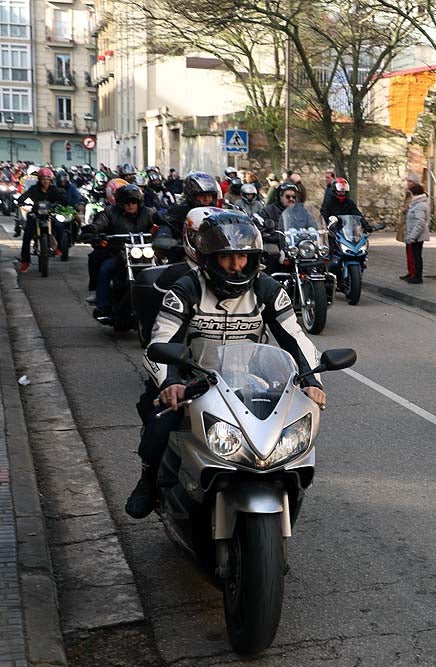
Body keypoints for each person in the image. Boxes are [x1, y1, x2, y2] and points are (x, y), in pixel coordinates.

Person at [124, 208, 326, 518]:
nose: (236, 265)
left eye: (243, 257)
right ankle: (148, 481)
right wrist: (170, 381)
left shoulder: (267, 289)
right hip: (193, 378)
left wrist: (312, 380)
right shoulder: (186, 289)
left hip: (249, 379)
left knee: (290, 431)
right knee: (159, 422)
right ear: (209, 257)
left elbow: (295, 337)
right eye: (227, 257)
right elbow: (161, 341)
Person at [89, 183, 161, 319]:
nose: (130, 205)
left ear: (139, 202)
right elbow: (101, 222)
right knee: (105, 269)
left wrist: (164, 230)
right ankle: (103, 306)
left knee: (162, 269)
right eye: (127, 202)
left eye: (134, 202)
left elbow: (160, 223)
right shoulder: (110, 212)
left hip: (145, 253)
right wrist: (93, 229)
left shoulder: (149, 212)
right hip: (118, 253)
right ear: (120, 203)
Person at [17, 167, 67, 273]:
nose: (45, 181)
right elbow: (24, 196)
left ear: (51, 180)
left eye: (48, 179)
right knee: (27, 236)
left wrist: (62, 202)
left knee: (60, 226)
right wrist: (20, 201)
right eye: (43, 178)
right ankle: (25, 262)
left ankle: (57, 247)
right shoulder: (34, 189)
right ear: (39, 179)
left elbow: (62, 199)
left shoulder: (54, 190)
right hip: (36, 214)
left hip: (50, 214)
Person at [403, 178, 430, 284]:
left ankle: (418, 277)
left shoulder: (420, 205)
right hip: (415, 234)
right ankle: (415, 276)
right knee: (415, 256)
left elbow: (420, 222)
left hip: (417, 235)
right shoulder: (417, 204)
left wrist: (413, 237)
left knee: (417, 257)